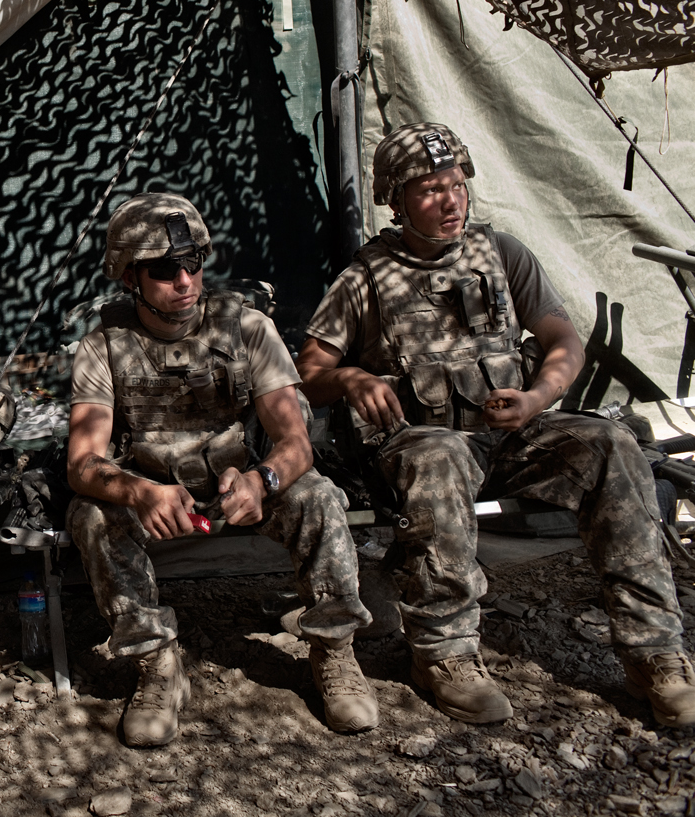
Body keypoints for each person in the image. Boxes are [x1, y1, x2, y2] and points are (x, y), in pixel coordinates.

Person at [297, 122, 695, 726]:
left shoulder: (502, 253)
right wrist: (353, 380)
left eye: (456, 184)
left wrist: (538, 397)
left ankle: (655, 656)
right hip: (419, 446)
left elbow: (562, 337)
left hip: (511, 434)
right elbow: (310, 370)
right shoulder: (366, 278)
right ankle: (444, 655)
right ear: (396, 198)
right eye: (429, 189)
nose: (450, 200)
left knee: (611, 444)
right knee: (440, 456)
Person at [66, 193, 378, 746]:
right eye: (165, 270)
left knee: (317, 495)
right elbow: (83, 463)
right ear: (129, 278)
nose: (185, 280)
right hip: (157, 498)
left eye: (193, 264)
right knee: (91, 512)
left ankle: (334, 651)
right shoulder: (103, 346)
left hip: (241, 486)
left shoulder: (248, 328)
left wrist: (264, 480)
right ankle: (157, 667)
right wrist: (140, 493)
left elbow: (294, 441)